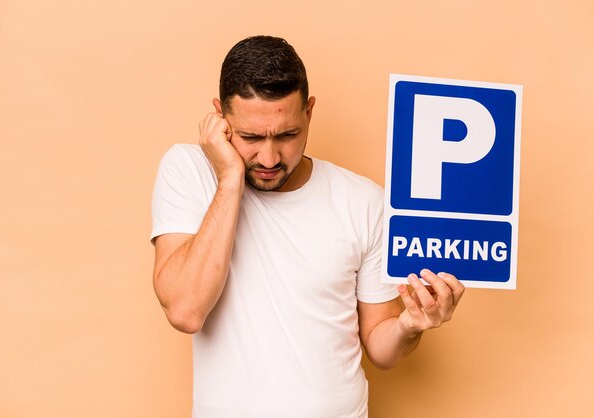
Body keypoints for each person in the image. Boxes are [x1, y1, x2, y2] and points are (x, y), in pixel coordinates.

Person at [150, 35, 465, 418]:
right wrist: (229, 178)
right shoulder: (189, 172)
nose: (269, 157)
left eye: (287, 135)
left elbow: (381, 348)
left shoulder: (364, 201)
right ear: (220, 118)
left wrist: (411, 325)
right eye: (250, 137)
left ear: (309, 113)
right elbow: (185, 311)